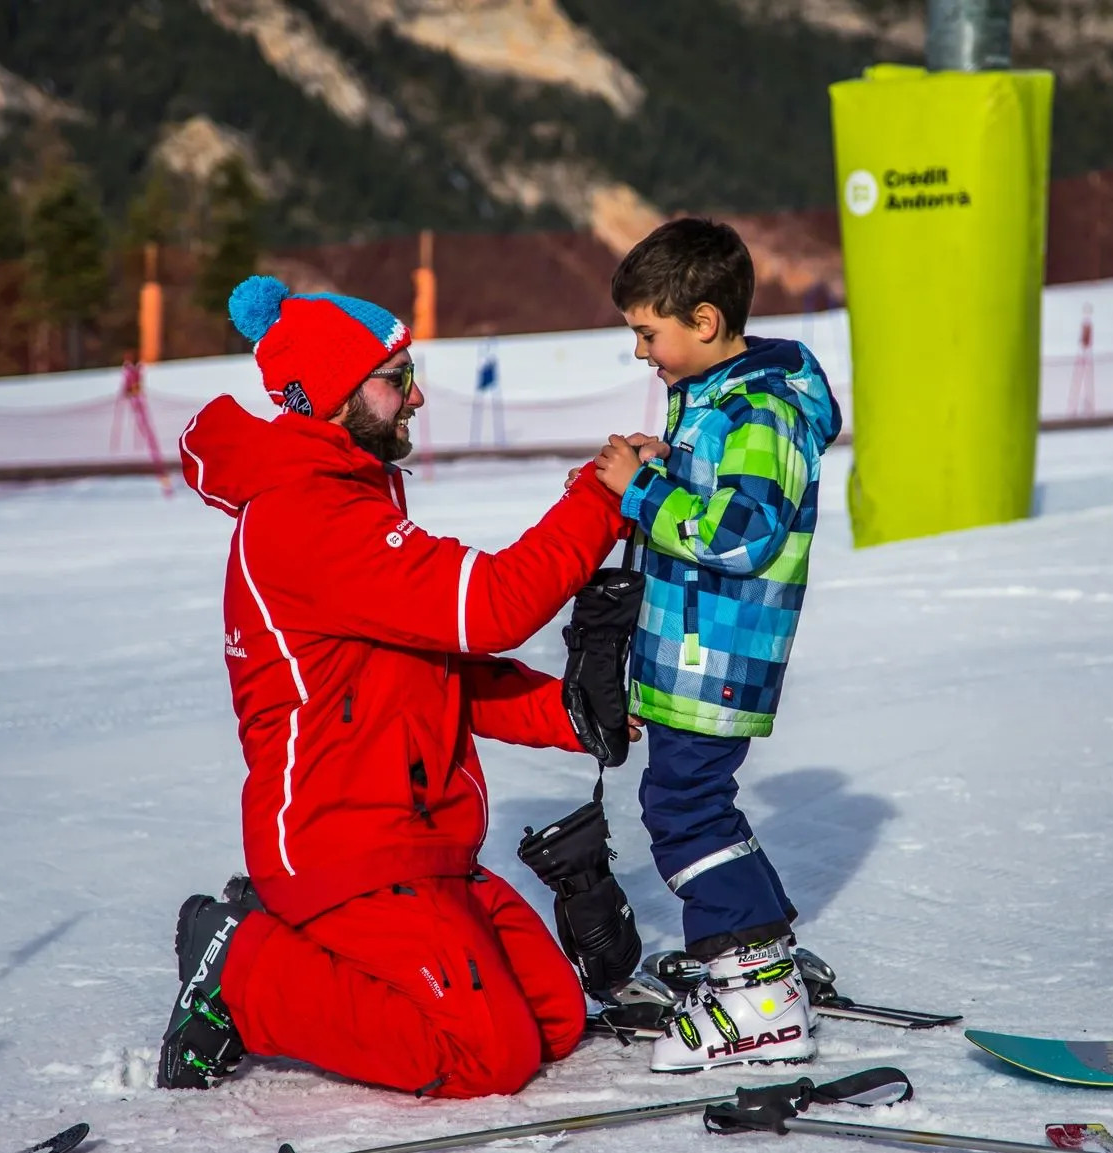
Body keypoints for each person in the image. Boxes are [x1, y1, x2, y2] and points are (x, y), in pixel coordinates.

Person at [160, 276, 633, 1098]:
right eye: (397, 376)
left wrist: (567, 713)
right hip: (343, 846)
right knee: (494, 1057)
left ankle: (293, 948)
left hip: (425, 843)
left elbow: (439, 670)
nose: (416, 396)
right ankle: (242, 963)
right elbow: (489, 608)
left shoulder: (349, 499)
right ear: (337, 392)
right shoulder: (309, 517)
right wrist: (597, 501)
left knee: (554, 1018)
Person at [591, 218, 843, 1072]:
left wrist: (641, 489)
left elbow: (740, 535)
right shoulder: (718, 397)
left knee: (684, 807)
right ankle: (758, 957)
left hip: (717, 650)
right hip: (690, 644)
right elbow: (720, 492)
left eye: (646, 333)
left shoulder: (757, 407)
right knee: (691, 800)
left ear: (703, 322)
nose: (641, 354)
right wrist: (668, 462)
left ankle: (756, 993)